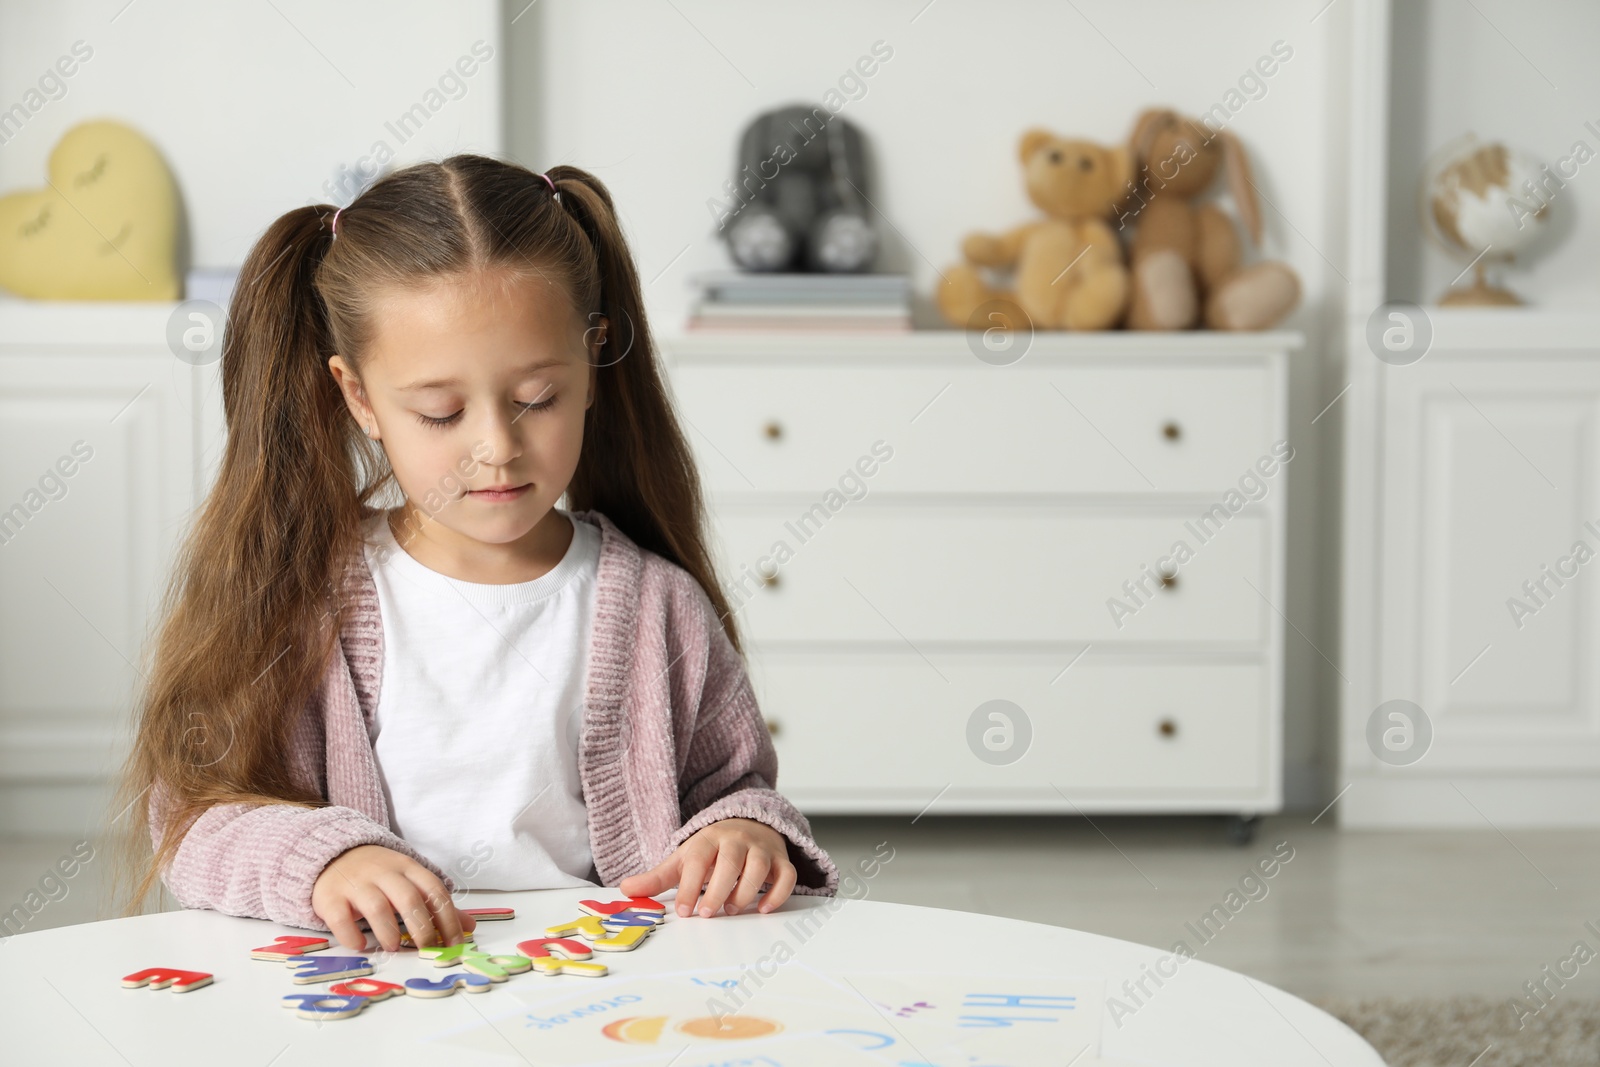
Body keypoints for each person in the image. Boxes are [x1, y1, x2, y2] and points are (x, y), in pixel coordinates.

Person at [106, 156, 838, 954]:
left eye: (536, 399)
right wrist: (325, 860)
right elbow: (197, 820)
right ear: (360, 398)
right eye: (440, 411)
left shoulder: (661, 606)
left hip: (602, 994)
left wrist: (741, 834)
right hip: (382, 997)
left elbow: (731, 793)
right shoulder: (304, 596)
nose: (495, 447)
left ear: (592, 362)